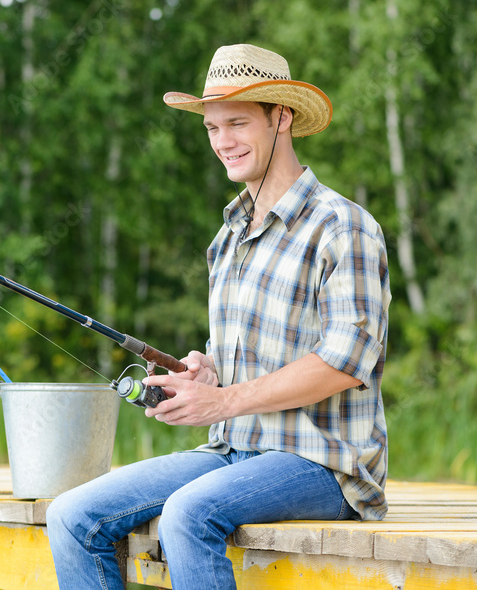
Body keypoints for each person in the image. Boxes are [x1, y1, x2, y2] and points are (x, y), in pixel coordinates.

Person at [46, 43, 391, 589]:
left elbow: (343, 364)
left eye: (237, 122)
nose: (223, 142)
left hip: (324, 465)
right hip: (232, 452)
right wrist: (205, 376)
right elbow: (242, 366)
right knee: (71, 516)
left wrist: (224, 400)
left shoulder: (342, 227)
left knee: (188, 515)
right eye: (211, 127)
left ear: (282, 118)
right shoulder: (227, 238)